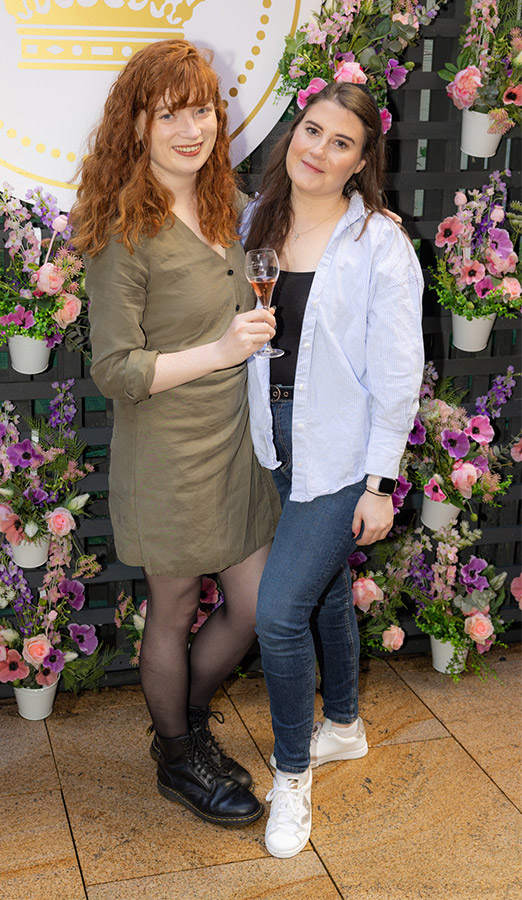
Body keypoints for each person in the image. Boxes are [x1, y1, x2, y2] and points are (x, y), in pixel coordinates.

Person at [72, 39, 281, 827]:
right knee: (174, 605)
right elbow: (118, 370)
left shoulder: (223, 202)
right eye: (170, 114)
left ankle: (179, 730)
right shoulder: (124, 233)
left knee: (256, 606)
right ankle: (181, 750)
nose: (191, 129)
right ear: (137, 125)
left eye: (202, 110)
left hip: (239, 441)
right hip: (169, 449)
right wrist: (224, 349)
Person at [242, 82, 425, 858]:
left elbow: (399, 369)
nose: (318, 150)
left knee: (279, 613)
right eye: (311, 131)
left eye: (340, 142)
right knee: (319, 597)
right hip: (275, 435)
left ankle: (291, 779)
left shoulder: (379, 240)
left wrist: (381, 484)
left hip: (344, 448)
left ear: (361, 161)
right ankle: (343, 725)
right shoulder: (260, 218)